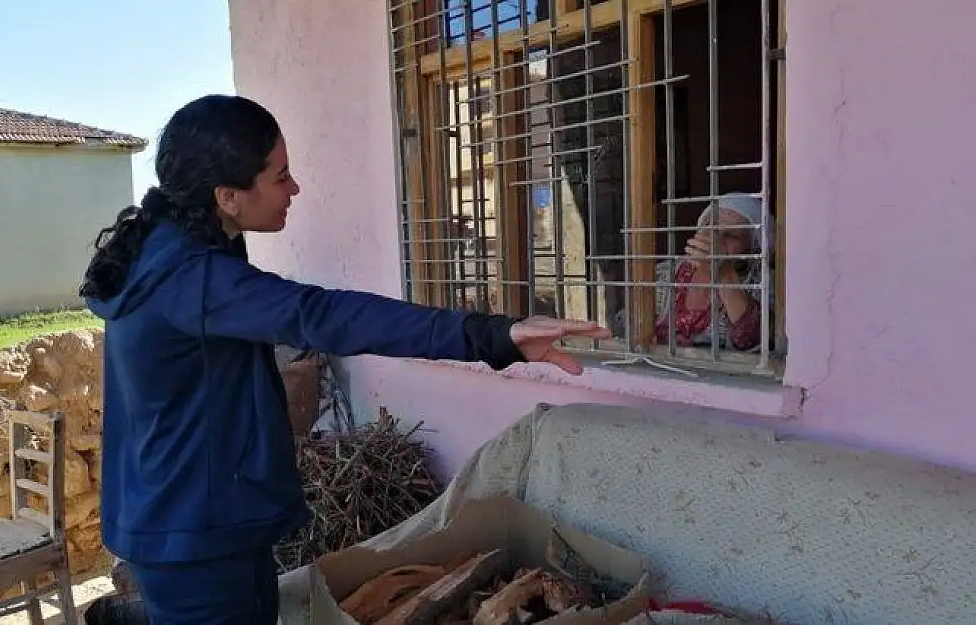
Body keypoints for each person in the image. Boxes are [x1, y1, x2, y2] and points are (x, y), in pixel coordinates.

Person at [79, 94, 611, 624]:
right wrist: (495, 336)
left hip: (192, 513)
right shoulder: (190, 276)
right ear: (228, 196)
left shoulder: (177, 243)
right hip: (195, 534)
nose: (295, 188)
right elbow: (326, 316)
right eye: (280, 176)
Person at [652, 193, 772, 351]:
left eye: (732, 235)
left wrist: (723, 274)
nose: (716, 238)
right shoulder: (663, 273)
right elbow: (630, 325)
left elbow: (754, 342)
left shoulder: (763, 282)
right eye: (711, 226)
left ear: (753, 247)